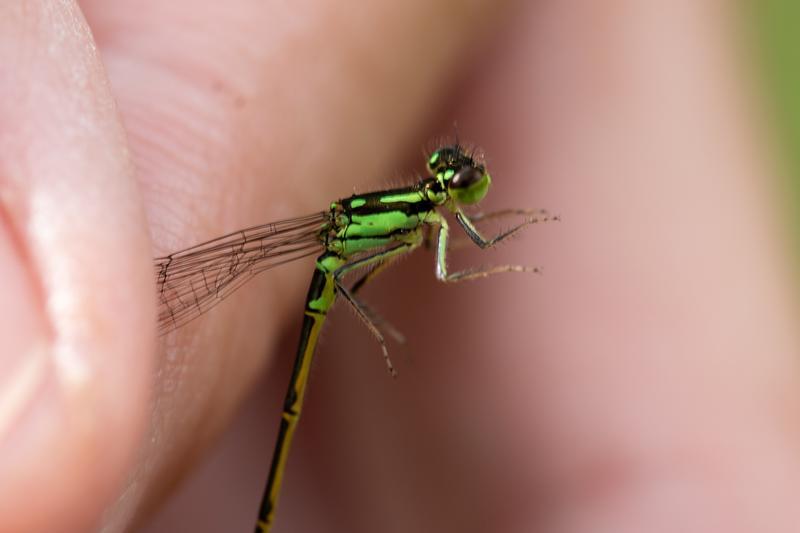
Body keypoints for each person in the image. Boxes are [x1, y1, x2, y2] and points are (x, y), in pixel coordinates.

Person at [1, 1, 798, 532]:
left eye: (461, 183)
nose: (461, 189)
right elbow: (428, 269)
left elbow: (453, 249)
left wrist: (512, 227)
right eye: (457, 183)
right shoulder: (424, 219)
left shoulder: (428, 214)